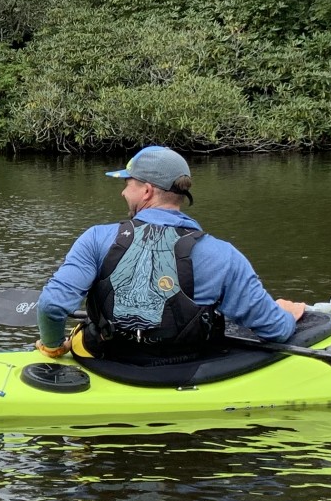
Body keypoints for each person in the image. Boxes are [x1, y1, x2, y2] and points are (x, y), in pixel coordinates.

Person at [35, 146, 303, 363]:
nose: (123, 191)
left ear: (147, 190)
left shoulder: (96, 238)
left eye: (128, 183)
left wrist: (54, 346)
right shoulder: (223, 254)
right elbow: (276, 331)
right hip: (183, 369)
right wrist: (286, 315)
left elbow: (51, 306)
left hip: (110, 365)